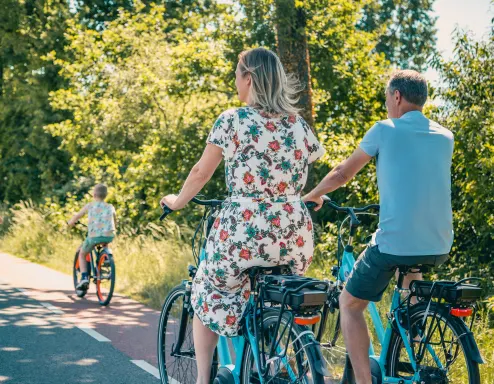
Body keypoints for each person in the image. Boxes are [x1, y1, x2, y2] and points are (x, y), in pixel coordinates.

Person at [160, 47, 325, 384]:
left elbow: (200, 173)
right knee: (274, 295)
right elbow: (301, 168)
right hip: (293, 232)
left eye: (237, 74)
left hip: (244, 231)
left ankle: (202, 381)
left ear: (249, 78)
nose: (235, 81)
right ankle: (272, 358)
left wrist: (177, 201)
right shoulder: (298, 125)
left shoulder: (233, 119)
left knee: (206, 294)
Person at [304, 70, 453, 384]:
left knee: (349, 303)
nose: (388, 105)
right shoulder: (445, 135)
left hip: (395, 243)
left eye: (388, 99)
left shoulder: (385, 130)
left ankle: (363, 381)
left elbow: (343, 173)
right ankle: (412, 357)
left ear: (396, 96)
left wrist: (313, 195)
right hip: (438, 244)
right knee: (411, 281)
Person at [68, 184, 117, 290]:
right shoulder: (110, 206)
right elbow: (115, 219)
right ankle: (106, 260)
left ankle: (84, 277)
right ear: (106, 195)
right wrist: (115, 229)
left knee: (82, 253)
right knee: (104, 242)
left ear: (94, 195)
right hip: (109, 235)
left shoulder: (90, 206)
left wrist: (71, 222)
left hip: (94, 236)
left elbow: (78, 215)